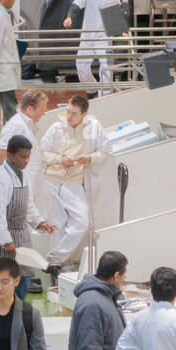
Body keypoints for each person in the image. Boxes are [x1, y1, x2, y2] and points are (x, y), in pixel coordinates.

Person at [40, 94, 109, 282]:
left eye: (74, 113)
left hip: (74, 181)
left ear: (84, 114)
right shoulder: (56, 128)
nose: (69, 117)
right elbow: (44, 152)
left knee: (81, 222)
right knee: (56, 223)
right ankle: (60, 267)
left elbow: (104, 151)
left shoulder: (93, 128)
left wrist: (90, 158)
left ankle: (56, 258)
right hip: (52, 180)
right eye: (68, 112)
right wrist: (60, 159)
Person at [0, 135, 55, 298]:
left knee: (23, 279)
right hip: (6, 241)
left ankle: (17, 314)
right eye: (22, 156)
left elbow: (28, 205)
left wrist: (39, 222)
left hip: (22, 236)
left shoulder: (22, 174)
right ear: (10, 155)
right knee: (6, 283)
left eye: (28, 156)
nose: (26, 160)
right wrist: (5, 240)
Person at [63, 0, 125, 94]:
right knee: (81, 67)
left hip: (105, 38)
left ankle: (105, 97)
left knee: (107, 67)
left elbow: (119, 16)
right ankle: (92, 89)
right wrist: (69, 18)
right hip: (87, 36)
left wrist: (122, 30)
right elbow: (75, 7)